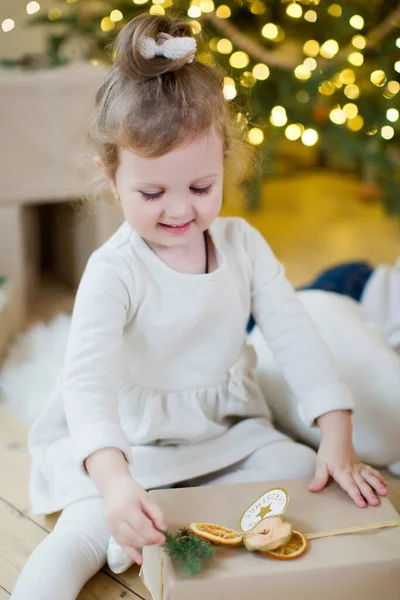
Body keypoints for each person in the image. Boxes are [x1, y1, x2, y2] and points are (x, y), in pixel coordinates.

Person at [11, 14, 387, 600]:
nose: (180, 211)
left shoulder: (244, 247)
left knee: (300, 476)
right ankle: (118, 531)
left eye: (201, 187)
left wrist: (336, 435)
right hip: (132, 444)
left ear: (224, 165)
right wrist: (113, 484)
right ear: (112, 178)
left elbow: (294, 334)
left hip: (225, 431)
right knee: (79, 536)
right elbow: (88, 382)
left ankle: (166, 529)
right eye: (152, 193)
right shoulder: (115, 271)